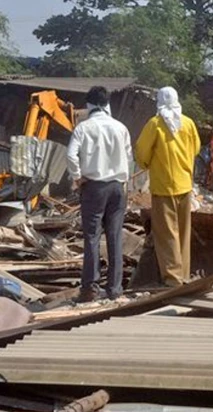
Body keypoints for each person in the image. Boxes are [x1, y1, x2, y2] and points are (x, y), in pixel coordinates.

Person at [67, 86, 131, 301]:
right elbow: (129, 157)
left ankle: (90, 289)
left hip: (94, 187)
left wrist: (78, 177)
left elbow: (71, 156)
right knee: (115, 237)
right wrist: (124, 180)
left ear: (89, 105)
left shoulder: (83, 128)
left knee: (92, 237)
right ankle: (114, 289)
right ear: (106, 104)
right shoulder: (121, 127)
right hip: (117, 187)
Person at [135, 87, 201, 287]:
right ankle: (185, 274)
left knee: (166, 234)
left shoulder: (155, 124)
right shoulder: (188, 123)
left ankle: (173, 279)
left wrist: (146, 164)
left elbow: (142, 151)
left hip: (164, 186)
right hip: (184, 184)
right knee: (183, 232)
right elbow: (196, 148)